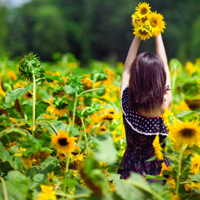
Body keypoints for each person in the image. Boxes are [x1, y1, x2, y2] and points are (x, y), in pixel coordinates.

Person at [118, 34, 172, 183]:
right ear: (158, 78)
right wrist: (158, 35)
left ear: (135, 77)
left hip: (132, 169)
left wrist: (137, 35)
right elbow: (165, 67)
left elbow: (127, 70)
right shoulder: (164, 103)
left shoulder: (127, 101)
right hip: (158, 167)